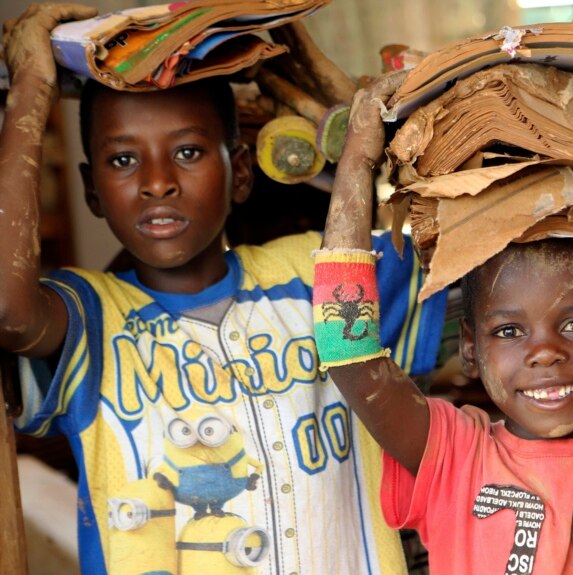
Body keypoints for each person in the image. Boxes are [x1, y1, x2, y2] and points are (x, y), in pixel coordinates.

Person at [0, 4, 446, 574]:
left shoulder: (319, 275)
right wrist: (32, 89)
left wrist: (348, 117)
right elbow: (11, 314)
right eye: (123, 159)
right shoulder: (91, 319)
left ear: (238, 171)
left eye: (187, 152)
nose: (156, 182)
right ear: (91, 189)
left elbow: (452, 234)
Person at [311, 18, 573, 573]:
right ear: (471, 348)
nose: (545, 352)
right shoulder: (452, 458)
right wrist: (359, 160)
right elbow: (349, 354)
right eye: (509, 331)